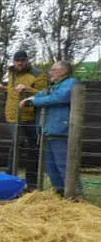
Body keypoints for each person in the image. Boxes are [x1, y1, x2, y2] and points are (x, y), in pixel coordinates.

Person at [20, 59, 77, 192]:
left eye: (53, 70)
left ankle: (74, 195)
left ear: (63, 71)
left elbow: (58, 98)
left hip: (61, 130)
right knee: (50, 166)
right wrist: (31, 98)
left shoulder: (71, 83)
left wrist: (34, 102)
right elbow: (43, 94)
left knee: (63, 164)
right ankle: (59, 192)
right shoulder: (55, 85)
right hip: (48, 130)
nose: (50, 72)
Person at [0, 48, 46, 189]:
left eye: (22, 61)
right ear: (14, 62)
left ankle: (31, 182)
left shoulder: (38, 74)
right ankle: (9, 177)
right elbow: (13, 91)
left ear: (27, 61)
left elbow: (44, 94)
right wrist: (1, 87)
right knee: (16, 144)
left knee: (32, 148)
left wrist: (27, 88)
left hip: (30, 116)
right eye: (17, 61)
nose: (20, 63)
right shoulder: (12, 73)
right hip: (12, 116)